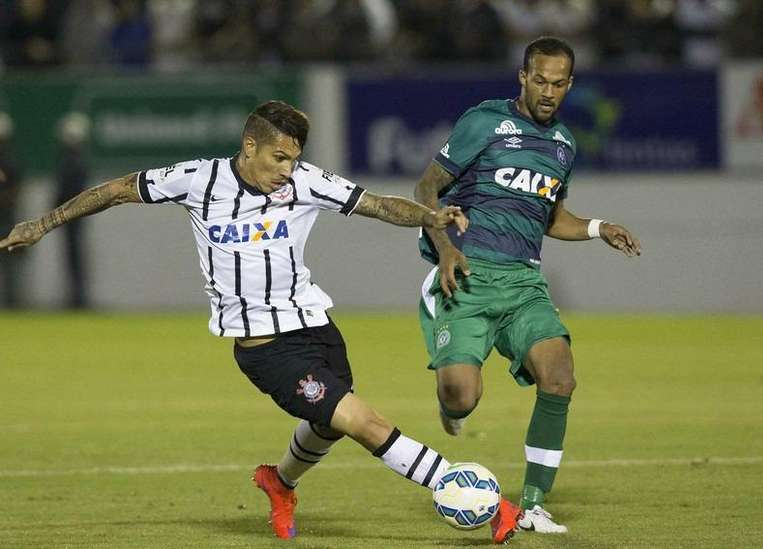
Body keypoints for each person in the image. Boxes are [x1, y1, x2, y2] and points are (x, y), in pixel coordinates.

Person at [0, 100, 523, 543]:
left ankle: (279, 482)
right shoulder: (196, 180)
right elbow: (115, 190)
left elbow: (378, 204)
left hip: (316, 326)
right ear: (249, 146)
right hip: (267, 349)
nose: (287, 170)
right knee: (364, 423)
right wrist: (42, 223)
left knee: (328, 424)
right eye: (279, 157)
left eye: (294, 160)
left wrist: (429, 216)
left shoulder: (305, 181)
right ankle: (474, 496)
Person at [414, 37, 641, 534]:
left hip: (523, 284)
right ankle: (450, 403)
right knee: (460, 398)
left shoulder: (564, 145)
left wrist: (600, 227)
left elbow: (551, 218)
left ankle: (534, 503)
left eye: (559, 84)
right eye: (540, 80)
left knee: (559, 375)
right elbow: (426, 186)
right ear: (522, 77)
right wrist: (446, 246)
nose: (548, 92)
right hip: (468, 275)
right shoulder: (484, 123)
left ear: (569, 86)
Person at [55, 112, 91, 308]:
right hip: (74, 216)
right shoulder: (76, 160)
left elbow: (68, 191)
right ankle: (77, 297)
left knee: (75, 257)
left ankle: (78, 299)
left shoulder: (72, 162)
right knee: (74, 257)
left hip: (72, 216)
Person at [0, 112, 24, 309]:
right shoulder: (11, 160)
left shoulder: (10, 162)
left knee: (10, 263)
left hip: (5, 219)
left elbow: (14, 192)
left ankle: (12, 301)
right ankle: (11, 301)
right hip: (6, 217)